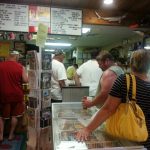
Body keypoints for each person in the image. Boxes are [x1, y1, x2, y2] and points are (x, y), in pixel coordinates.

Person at [75, 49, 150, 149]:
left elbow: (108, 109)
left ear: (131, 63)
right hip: (145, 139)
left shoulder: (125, 80)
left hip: (127, 138)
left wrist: (87, 129)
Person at [0, 50, 28, 142]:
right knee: (15, 116)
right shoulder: (21, 67)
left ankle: (0, 136)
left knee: (2, 116)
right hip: (16, 95)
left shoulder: (1, 65)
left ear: (9, 56)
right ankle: (11, 135)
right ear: (16, 57)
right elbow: (25, 80)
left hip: (2, 94)